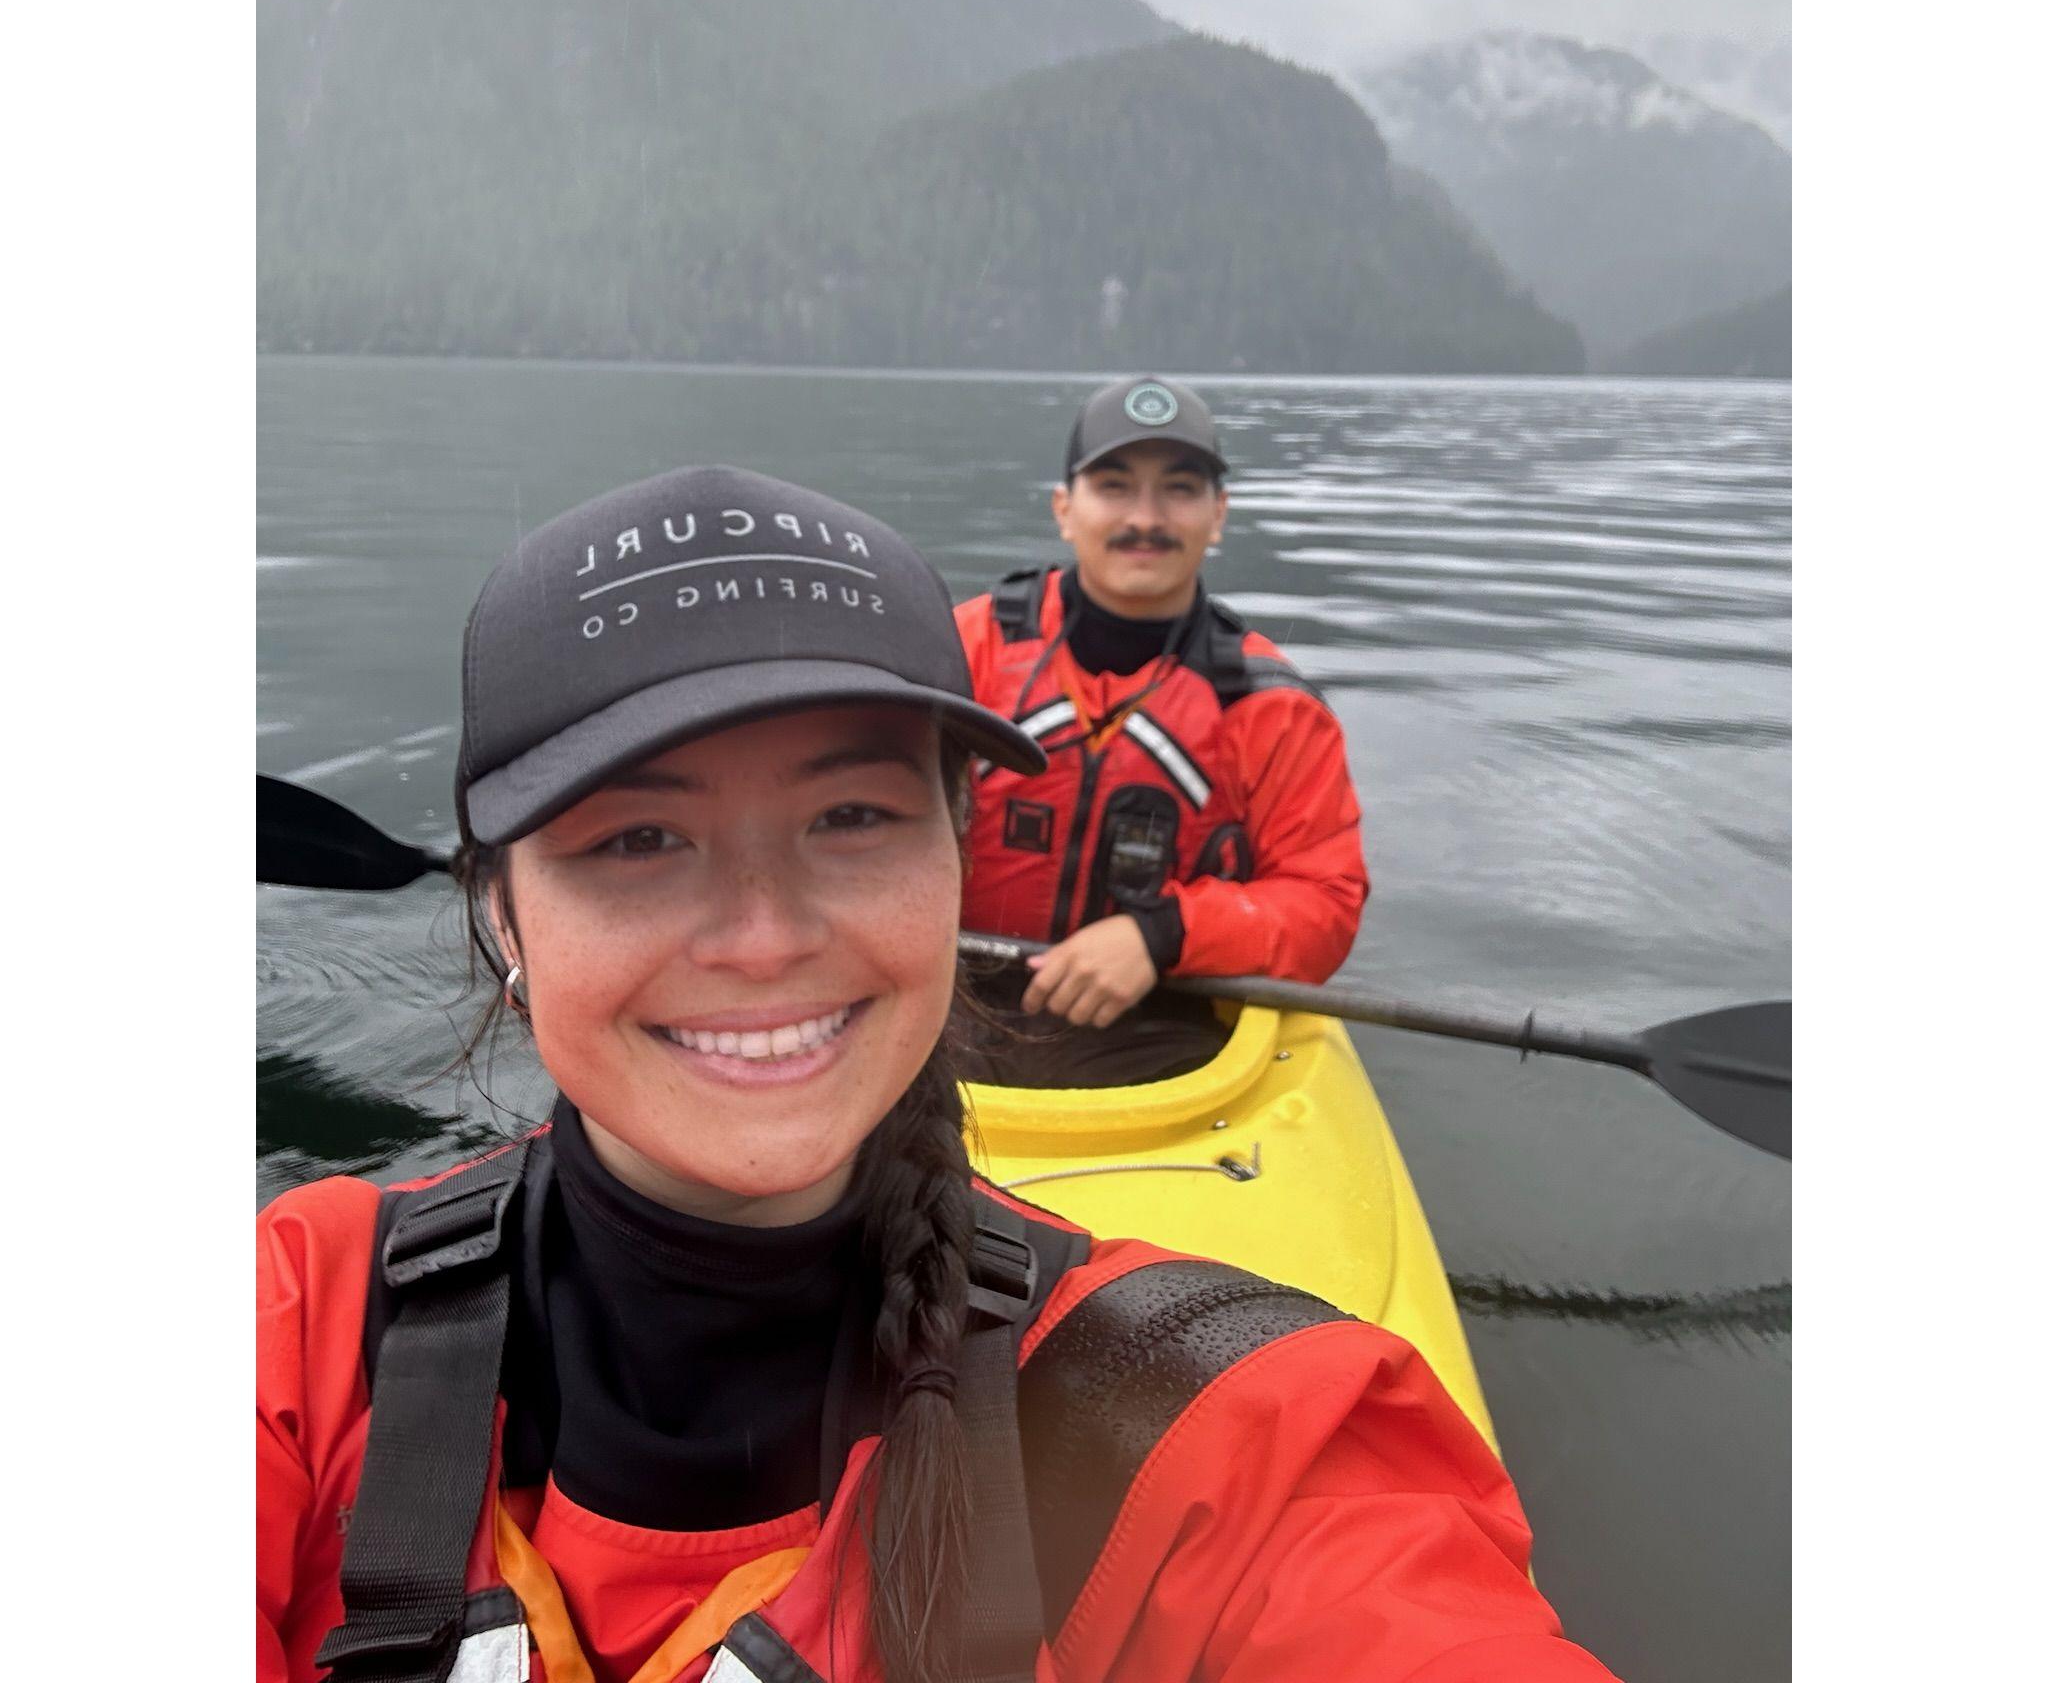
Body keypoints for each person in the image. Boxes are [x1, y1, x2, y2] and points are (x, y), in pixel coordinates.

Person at [258, 463, 1617, 1683]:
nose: (763, 939)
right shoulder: (291, 1326)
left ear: (955, 853)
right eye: (636, 840)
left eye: (852, 816)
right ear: (500, 910)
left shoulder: (1228, 1432)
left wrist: (1166, 933)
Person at [955, 376, 1367, 1086]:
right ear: (1064, 509)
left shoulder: (1272, 707)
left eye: (1178, 489)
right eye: (1114, 487)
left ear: (1218, 515)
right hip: (947, 1001)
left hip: (1159, 1032)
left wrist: (1162, 934)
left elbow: (1323, 905)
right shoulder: (966, 651)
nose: (1145, 518)